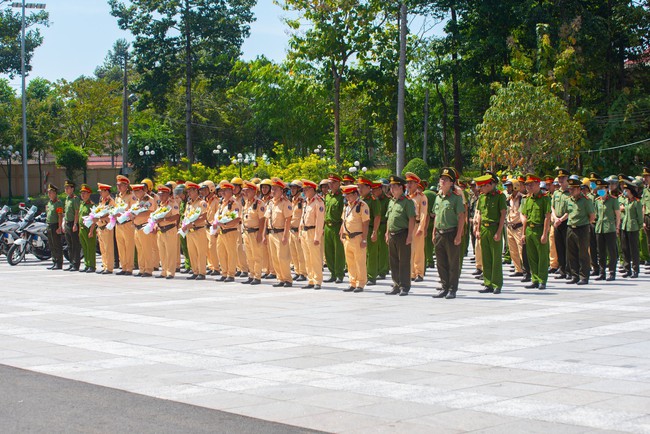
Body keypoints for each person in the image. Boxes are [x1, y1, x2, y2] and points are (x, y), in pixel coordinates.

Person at [431, 168, 465, 299]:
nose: (442, 181)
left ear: (452, 183)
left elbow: (461, 217)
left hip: (451, 233)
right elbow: (436, 216)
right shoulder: (438, 198)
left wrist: (458, 235)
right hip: (440, 233)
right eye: (441, 179)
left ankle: (452, 289)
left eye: (445, 179)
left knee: (452, 263)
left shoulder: (456, 198)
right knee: (441, 263)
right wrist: (434, 232)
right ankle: (444, 287)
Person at [474, 172, 507, 294]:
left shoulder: (500, 196)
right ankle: (488, 283)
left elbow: (503, 214)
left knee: (496, 258)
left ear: (489, 185)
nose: (481, 189)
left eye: (482, 186)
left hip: (494, 228)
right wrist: (477, 229)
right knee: (486, 257)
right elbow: (480, 215)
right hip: (484, 229)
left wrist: (499, 232)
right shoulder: (482, 197)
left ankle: (497, 283)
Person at [385, 175, 416, 296]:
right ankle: (396, 284)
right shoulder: (391, 202)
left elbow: (411, 219)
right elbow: (389, 219)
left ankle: (404, 286)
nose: (391, 189)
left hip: (402, 234)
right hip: (392, 234)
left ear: (401, 187)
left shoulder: (407, 202)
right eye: (391, 186)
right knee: (393, 261)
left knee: (403, 261)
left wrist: (410, 235)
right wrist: (387, 233)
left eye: (394, 186)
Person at [520, 174, 552, 290]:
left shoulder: (545, 198)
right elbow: (525, 218)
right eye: (527, 185)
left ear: (538, 184)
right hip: (529, 230)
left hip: (539, 229)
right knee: (531, 256)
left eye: (531, 184)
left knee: (542, 256)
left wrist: (544, 233)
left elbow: (547, 217)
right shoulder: (528, 199)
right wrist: (523, 233)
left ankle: (542, 280)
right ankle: (535, 279)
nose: (529, 187)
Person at [339, 184, 370, 292]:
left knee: (359, 261)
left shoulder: (362, 205)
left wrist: (364, 239)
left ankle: (360, 283)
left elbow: (365, 223)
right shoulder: (347, 206)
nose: (347, 197)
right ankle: (352, 282)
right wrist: (341, 233)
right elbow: (344, 220)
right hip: (347, 238)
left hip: (357, 237)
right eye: (346, 195)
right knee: (350, 262)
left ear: (355, 194)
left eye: (349, 195)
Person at [263, 177, 293, 287]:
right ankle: (280, 278)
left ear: (281, 191)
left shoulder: (285, 203)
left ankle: (287, 279)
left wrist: (285, 235)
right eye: (273, 189)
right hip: (271, 233)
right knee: (274, 257)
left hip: (281, 233)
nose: (273, 191)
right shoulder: (270, 203)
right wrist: (264, 235)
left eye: (276, 189)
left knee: (283, 257)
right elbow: (267, 218)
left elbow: (288, 219)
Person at [565, 177, 596, 285]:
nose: (571, 191)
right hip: (570, 228)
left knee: (583, 253)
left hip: (582, 228)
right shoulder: (569, 200)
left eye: (573, 189)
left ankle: (584, 276)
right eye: (570, 189)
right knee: (571, 253)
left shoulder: (586, 201)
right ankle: (575, 275)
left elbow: (592, 216)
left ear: (579, 189)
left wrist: (585, 224)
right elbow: (567, 213)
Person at [213, 180, 242, 282]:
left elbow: (237, 218)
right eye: (222, 190)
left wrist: (225, 224)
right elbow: (218, 216)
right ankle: (224, 273)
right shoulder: (222, 203)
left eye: (225, 190)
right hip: (221, 232)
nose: (223, 192)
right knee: (220, 252)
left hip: (230, 231)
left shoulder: (234, 203)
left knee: (231, 253)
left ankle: (231, 274)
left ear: (231, 191)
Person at [299, 179, 325, 289]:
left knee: (315, 258)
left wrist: (317, 236)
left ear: (312, 189)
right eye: (303, 189)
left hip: (313, 231)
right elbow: (302, 218)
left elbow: (320, 221)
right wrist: (300, 233)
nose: (304, 191)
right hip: (305, 232)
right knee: (307, 257)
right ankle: (311, 280)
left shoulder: (318, 202)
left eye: (306, 189)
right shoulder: (306, 201)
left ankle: (317, 281)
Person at [594, 178, 620, 281]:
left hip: (610, 228)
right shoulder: (597, 201)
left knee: (612, 251)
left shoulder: (613, 200)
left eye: (602, 188)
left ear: (607, 189)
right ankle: (602, 272)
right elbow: (596, 215)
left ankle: (612, 272)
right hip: (599, 228)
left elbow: (618, 215)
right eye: (599, 188)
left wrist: (617, 227)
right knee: (601, 252)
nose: (600, 190)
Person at [241, 181, 266, 285]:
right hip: (247, 232)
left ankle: (257, 276)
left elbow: (262, 219)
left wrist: (260, 234)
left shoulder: (259, 203)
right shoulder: (246, 203)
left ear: (253, 191)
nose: (245, 193)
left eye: (247, 191)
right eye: (244, 191)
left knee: (257, 256)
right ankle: (251, 275)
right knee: (249, 256)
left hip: (255, 232)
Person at [358, 176, 381, 285]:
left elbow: (377, 216)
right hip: (360, 230)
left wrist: (374, 232)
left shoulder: (373, 200)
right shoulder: (359, 200)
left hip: (370, 228)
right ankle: (363, 275)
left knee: (371, 253)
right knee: (362, 254)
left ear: (368, 188)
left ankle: (371, 276)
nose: (360, 189)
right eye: (359, 187)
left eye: (362, 187)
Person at [183, 182, 208, 280]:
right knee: (192, 252)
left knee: (201, 252)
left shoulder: (202, 203)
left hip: (199, 229)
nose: (188, 192)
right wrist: (184, 225)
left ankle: (202, 272)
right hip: (190, 231)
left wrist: (193, 223)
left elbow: (204, 216)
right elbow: (186, 216)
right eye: (188, 191)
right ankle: (195, 271)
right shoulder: (189, 204)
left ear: (196, 191)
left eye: (190, 190)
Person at [405, 172, 428, 282]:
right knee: (409, 250)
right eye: (408, 182)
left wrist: (421, 227)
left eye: (411, 182)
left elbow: (423, 213)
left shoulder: (421, 197)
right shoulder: (405, 197)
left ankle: (419, 273)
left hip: (417, 225)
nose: (409, 185)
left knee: (418, 250)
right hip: (407, 226)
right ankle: (411, 273)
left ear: (416, 184)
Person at [131, 184, 157, 277]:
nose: (135, 193)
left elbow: (149, 211)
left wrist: (135, 215)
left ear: (142, 191)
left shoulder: (148, 199)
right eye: (134, 191)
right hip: (137, 227)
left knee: (147, 249)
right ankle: (142, 269)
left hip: (144, 226)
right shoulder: (137, 201)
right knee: (140, 250)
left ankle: (148, 269)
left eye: (137, 191)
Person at [155, 184, 180, 279]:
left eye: (163, 194)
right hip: (161, 230)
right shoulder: (160, 205)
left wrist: (164, 219)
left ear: (168, 195)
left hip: (170, 229)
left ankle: (170, 272)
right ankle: (164, 271)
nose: (161, 196)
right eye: (160, 194)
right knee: (162, 252)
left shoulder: (172, 204)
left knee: (170, 252)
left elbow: (177, 216)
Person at [324, 174, 345, 283]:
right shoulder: (327, 196)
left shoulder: (342, 197)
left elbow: (343, 214)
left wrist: (343, 228)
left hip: (337, 226)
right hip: (327, 226)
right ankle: (332, 273)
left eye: (333, 183)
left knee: (339, 252)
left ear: (338, 184)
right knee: (329, 251)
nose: (330, 185)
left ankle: (339, 274)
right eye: (329, 183)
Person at [620, 179, 644, 278]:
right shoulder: (625, 201)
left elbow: (639, 216)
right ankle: (627, 269)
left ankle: (635, 269)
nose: (625, 192)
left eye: (626, 190)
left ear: (630, 191)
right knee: (625, 249)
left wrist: (639, 226)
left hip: (633, 227)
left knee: (634, 249)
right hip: (625, 226)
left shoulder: (636, 202)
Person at [114, 175, 136, 276]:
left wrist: (124, 214)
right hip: (119, 224)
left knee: (129, 246)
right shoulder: (118, 197)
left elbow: (133, 211)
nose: (119, 187)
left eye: (121, 185)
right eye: (118, 185)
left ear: (126, 185)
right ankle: (123, 266)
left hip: (127, 224)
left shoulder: (131, 196)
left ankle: (129, 268)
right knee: (121, 246)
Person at [552, 168, 571, 280]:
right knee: (559, 247)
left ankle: (569, 271)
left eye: (563, 178)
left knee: (568, 248)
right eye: (559, 178)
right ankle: (562, 269)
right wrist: (555, 218)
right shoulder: (556, 193)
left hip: (566, 222)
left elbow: (570, 209)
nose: (560, 180)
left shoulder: (570, 192)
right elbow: (552, 206)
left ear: (568, 179)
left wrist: (561, 219)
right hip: (557, 222)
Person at [505, 179, 525, 277]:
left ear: (515, 187)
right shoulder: (508, 199)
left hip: (519, 227)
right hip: (510, 227)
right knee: (513, 250)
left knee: (521, 249)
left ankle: (526, 269)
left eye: (509, 186)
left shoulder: (522, 199)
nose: (507, 188)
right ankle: (518, 269)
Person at [95, 183, 116, 274]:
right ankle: (105, 265)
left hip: (106, 227)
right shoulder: (102, 201)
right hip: (100, 227)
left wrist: (102, 217)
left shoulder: (110, 201)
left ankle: (109, 267)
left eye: (102, 191)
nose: (100, 193)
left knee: (108, 248)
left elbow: (111, 214)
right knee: (102, 248)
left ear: (106, 191)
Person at [289, 180, 307, 282]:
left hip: (298, 230)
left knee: (300, 253)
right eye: (291, 188)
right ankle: (297, 271)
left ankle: (303, 273)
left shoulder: (302, 201)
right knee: (294, 253)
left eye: (294, 188)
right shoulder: (292, 200)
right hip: (291, 230)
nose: (292, 190)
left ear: (299, 189)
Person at [372, 180, 390, 279]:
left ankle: (383, 270)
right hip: (374, 226)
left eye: (375, 189)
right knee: (375, 249)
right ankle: (376, 269)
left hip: (383, 225)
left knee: (383, 249)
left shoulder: (387, 200)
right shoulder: (373, 199)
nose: (373, 191)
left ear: (380, 189)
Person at [77, 184, 96, 273]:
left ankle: (92, 265)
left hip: (88, 229)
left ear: (89, 194)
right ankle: (87, 264)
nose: (83, 195)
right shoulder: (82, 204)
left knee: (90, 248)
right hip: (82, 229)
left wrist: (91, 230)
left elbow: (94, 219)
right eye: (82, 193)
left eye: (85, 193)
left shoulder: (91, 205)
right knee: (84, 247)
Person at [63, 180, 81, 271]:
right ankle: (71, 262)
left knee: (75, 245)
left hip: (73, 223)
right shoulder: (67, 199)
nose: (66, 190)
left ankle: (76, 264)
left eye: (68, 188)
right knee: (69, 245)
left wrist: (75, 224)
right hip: (67, 223)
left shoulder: (75, 199)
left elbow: (77, 212)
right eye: (65, 188)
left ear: (72, 189)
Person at [45, 184, 64, 270]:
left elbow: (60, 216)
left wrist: (59, 227)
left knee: (57, 245)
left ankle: (59, 263)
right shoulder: (49, 203)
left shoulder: (58, 203)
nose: (49, 194)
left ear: (55, 193)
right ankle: (54, 261)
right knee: (51, 245)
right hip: (49, 225)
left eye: (51, 192)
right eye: (48, 192)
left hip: (55, 225)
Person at [642, 167, 650, 274]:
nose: (645, 179)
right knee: (649, 242)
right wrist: (644, 220)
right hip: (648, 218)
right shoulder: (645, 190)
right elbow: (644, 206)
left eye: (647, 176)